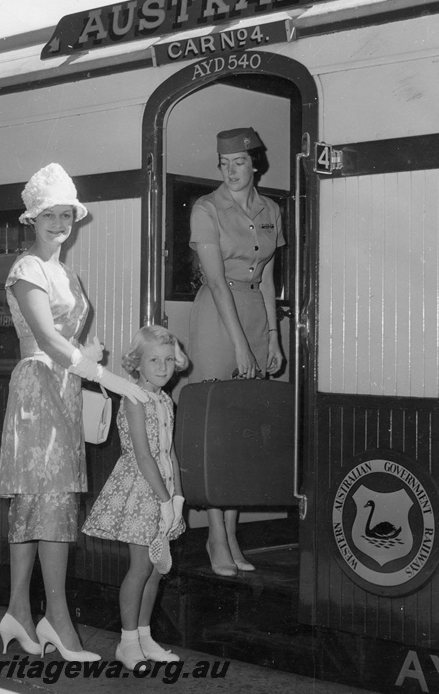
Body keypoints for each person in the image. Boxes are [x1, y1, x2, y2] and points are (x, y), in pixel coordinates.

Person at [0, 162, 148, 661]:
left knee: (37, 503)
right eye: (50, 216)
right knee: (51, 502)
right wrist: (114, 380)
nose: (60, 225)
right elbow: (47, 341)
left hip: (60, 388)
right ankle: (55, 619)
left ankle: (19, 612)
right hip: (39, 386)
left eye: (67, 215)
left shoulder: (65, 272)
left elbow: (72, 340)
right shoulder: (27, 269)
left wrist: (94, 351)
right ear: (32, 219)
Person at [188, 127, 285, 577]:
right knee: (218, 430)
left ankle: (230, 535)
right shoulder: (206, 209)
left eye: (240, 162)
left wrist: (273, 337)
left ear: (256, 164)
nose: (231, 171)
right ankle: (214, 537)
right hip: (217, 315)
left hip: (253, 313)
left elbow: (265, 277)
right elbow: (214, 279)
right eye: (224, 164)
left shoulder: (271, 210)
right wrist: (241, 346)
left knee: (242, 429)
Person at [82, 325, 188, 671]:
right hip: (142, 491)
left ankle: (145, 637)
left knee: (158, 568)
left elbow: (168, 452)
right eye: (154, 360)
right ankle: (127, 642)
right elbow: (144, 456)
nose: (162, 366)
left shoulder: (165, 399)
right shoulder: (134, 398)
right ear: (137, 364)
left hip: (164, 492)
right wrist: (162, 499)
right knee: (141, 567)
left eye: (169, 360)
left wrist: (178, 498)